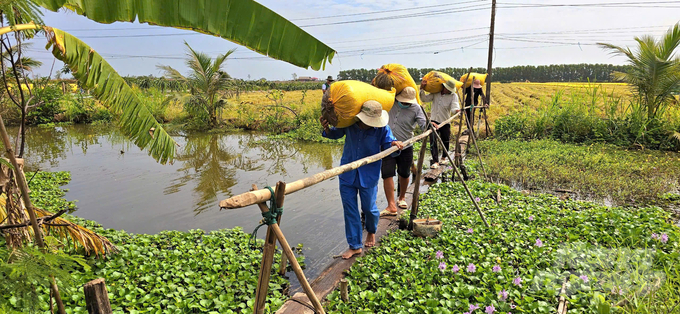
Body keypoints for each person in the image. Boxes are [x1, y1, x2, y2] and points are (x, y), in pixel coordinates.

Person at [320, 101, 404, 259]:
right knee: (350, 210)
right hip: (347, 172)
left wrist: (394, 145)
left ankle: (371, 231)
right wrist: (326, 128)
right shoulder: (350, 124)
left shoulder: (381, 128)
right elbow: (334, 134)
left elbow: (389, 147)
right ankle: (355, 246)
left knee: (369, 209)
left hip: (369, 174)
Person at [380, 87, 427, 216]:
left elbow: (423, 123)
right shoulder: (390, 102)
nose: (405, 103)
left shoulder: (416, 108)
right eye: (403, 101)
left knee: (404, 173)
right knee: (387, 173)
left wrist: (428, 126)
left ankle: (401, 198)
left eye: (407, 102)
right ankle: (391, 204)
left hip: (405, 145)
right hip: (387, 145)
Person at [420, 79, 460, 169]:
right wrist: (422, 89)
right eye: (447, 88)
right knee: (433, 141)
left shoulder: (453, 96)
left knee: (445, 140)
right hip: (434, 121)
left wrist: (457, 111)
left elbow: (454, 106)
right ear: (444, 87)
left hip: (445, 121)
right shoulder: (436, 93)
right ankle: (435, 161)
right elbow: (424, 99)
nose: (448, 90)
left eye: (450, 89)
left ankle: (444, 157)